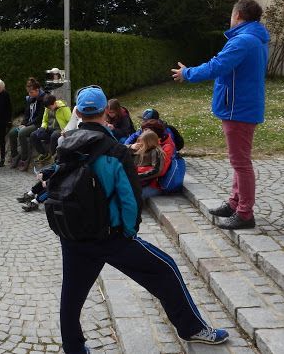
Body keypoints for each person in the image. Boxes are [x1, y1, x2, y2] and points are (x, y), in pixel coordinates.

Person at [56, 86, 228, 353]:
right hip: (110, 236)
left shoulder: (64, 145)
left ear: (77, 112)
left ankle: (74, 348)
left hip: (73, 235)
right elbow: (129, 199)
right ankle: (192, 328)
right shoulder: (114, 150)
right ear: (105, 115)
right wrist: (128, 232)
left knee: (71, 297)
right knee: (166, 268)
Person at [172, 0, 269, 230]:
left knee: (240, 162)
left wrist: (188, 73)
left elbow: (217, 66)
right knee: (238, 160)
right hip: (241, 107)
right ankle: (235, 203)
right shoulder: (253, 39)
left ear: (238, 16)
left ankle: (245, 213)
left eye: (231, 14)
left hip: (239, 109)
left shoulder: (243, 41)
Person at [7, 78, 45, 171]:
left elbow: (39, 117)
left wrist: (27, 125)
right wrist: (23, 123)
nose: (29, 94)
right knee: (12, 133)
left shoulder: (43, 99)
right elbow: (27, 114)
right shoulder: (30, 99)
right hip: (28, 124)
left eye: (31, 92)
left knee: (22, 133)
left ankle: (24, 158)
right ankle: (15, 156)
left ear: (37, 90)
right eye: (28, 92)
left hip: (37, 124)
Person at [31, 94, 71, 162]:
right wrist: (42, 127)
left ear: (54, 102)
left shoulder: (64, 108)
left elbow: (70, 121)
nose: (49, 108)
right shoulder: (47, 108)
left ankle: (53, 156)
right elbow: (44, 120)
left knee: (54, 135)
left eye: (50, 107)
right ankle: (43, 153)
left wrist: (65, 130)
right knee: (34, 135)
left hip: (60, 130)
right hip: (49, 129)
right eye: (47, 107)